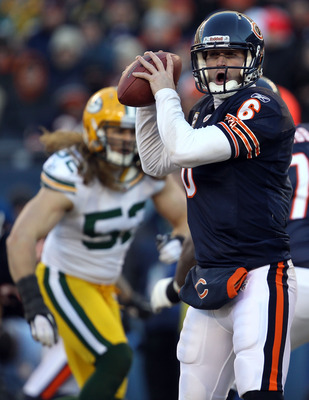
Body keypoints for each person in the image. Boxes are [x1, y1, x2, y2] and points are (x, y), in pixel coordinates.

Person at [132, 10, 296, 400]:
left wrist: (164, 92)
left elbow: (184, 148)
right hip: (210, 277)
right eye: (211, 56)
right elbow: (156, 161)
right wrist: (144, 104)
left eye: (230, 55)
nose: (219, 65)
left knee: (260, 392)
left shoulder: (261, 104)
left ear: (252, 57)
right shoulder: (204, 111)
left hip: (258, 273)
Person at [6, 86, 189, 400]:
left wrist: (175, 240)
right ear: (94, 130)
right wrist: (33, 305)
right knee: (116, 359)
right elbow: (19, 238)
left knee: (112, 388)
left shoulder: (148, 172)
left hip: (104, 285)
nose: (128, 141)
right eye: (118, 132)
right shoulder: (73, 173)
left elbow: (186, 219)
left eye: (133, 133)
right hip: (64, 279)